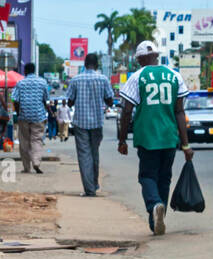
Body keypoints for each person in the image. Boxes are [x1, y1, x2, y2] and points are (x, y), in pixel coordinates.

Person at [117, 41, 193, 235]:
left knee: (147, 176)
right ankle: (158, 218)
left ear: (141, 58)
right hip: (169, 137)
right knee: (164, 178)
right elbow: (179, 112)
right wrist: (185, 145)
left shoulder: (137, 77)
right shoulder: (174, 76)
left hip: (147, 137)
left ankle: (155, 205)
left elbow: (127, 111)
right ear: (156, 56)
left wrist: (123, 139)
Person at [67, 52, 114, 197]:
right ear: (97, 65)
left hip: (80, 122)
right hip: (97, 122)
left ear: (85, 64)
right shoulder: (103, 79)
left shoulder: (75, 80)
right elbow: (110, 101)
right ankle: (93, 184)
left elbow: (69, 101)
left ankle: (90, 188)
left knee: (84, 155)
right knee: (94, 153)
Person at [11, 62, 50, 174]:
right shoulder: (42, 82)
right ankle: (36, 162)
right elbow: (46, 99)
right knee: (37, 140)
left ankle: (27, 167)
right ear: (34, 70)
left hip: (24, 116)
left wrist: (18, 112)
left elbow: (14, 99)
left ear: (25, 71)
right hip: (38, 116)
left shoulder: (20, 83)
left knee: (24, 142)